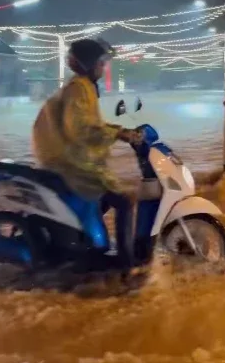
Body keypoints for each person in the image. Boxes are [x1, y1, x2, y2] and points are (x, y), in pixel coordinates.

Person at [32, 38, 143, 270]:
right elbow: (81, 129)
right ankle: (126, 265)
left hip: (72, 161)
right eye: (101, 63)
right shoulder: (79, 88)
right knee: (125, 200)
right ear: (89, 64)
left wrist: (120, 131)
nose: (104, 68)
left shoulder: (83, 87)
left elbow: (92, 124)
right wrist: (119, 133)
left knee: (106, 197)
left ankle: (91, 243)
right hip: (71, 165)